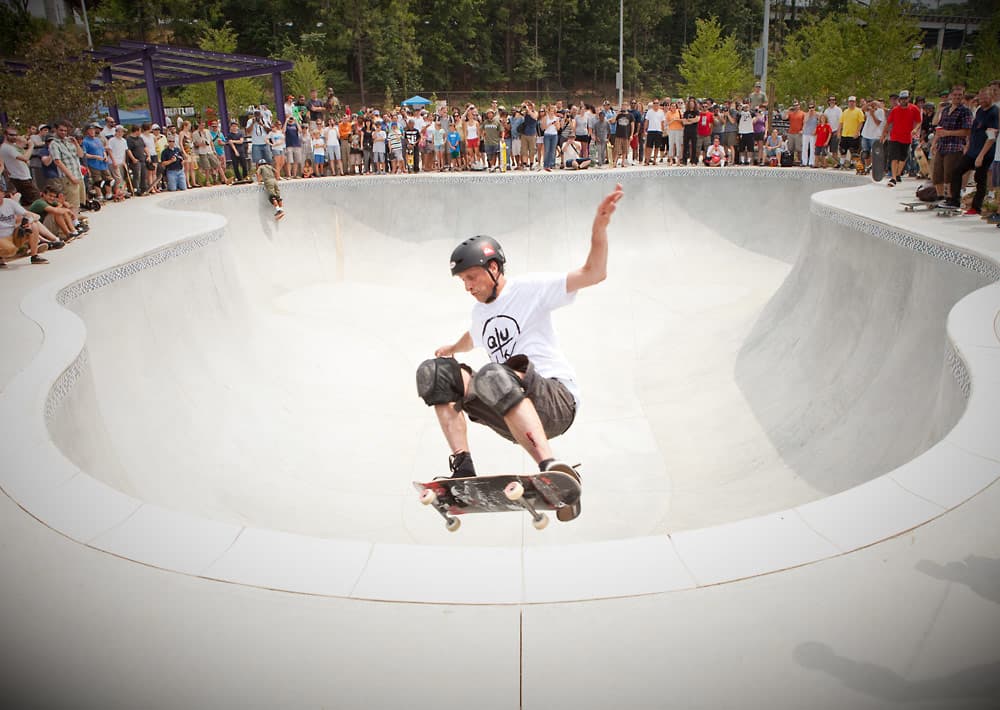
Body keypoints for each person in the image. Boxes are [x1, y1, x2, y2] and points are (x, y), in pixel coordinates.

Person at [415, 184, 624, 521]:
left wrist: (599, 229)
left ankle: (550, 466)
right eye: (462, 281)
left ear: (494, 268)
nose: (468, 286)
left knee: (493, 374)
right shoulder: (479, 314)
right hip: (512, 411)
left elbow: (593, 274)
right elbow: (473, 337)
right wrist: (452, 350)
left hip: (556, 399)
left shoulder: (530, 290)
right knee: (435, 373)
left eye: (472, 277)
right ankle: (463, 468)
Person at [944, 84, 998, 215]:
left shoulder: (994, 112)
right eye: (981, 98)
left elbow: (991, 137)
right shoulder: (979, 110)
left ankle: (976, 206)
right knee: (957, 171)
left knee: (980, 178)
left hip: (985, 152)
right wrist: (968, 145)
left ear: (991, 98)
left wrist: (981, 156)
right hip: (973, 150)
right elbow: (973, 130)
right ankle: (955, 200)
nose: (983, 101)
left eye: (986, 98)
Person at [882, 90, 922, 187]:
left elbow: (918, 121)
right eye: (902, 99)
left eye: (905, 98)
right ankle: (893, 178)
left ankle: (898, 174)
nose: (903, 101)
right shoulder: (895, 110)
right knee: (894, 157)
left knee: (903, 158)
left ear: (908, 98)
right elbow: (888, 122)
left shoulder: (914, 109)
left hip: (906, 137)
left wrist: (915, 129)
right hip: (895, 136)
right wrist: (884, 133)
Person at [0, 192, 50, 267]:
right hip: (2, 237)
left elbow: (29, 214)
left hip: (13, 234)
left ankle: (34, 256)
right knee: (11, 250)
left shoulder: (9, 203)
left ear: (3, 194)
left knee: (33, 225)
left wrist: (27, 222)